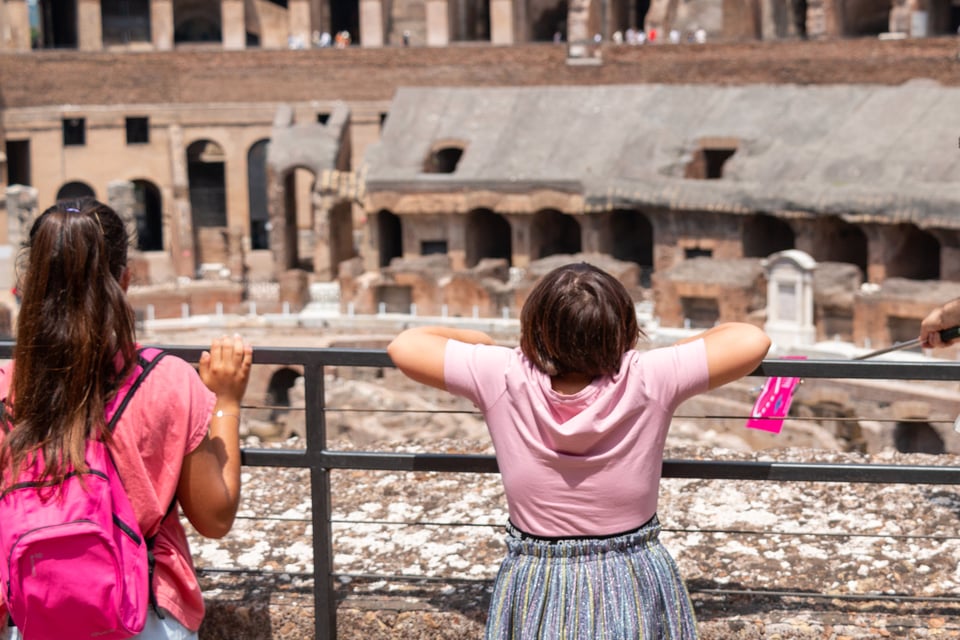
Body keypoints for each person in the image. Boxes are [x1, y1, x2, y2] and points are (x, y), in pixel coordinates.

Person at [387, 262, 771, 639]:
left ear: (536, 327)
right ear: (621, 327)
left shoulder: (500, 372)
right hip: (632, 570)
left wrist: (482, 341)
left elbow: (405, 345)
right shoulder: (653, 374)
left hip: (537, 575)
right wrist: (674, 353)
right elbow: (750, 339)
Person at [0, 198, 253, 639]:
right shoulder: (167, 379)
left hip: (38, 613)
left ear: (33, 280)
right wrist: (225, 400)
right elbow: (215, 518)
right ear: (125, 279)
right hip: (145, 612)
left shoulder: (5, 386)